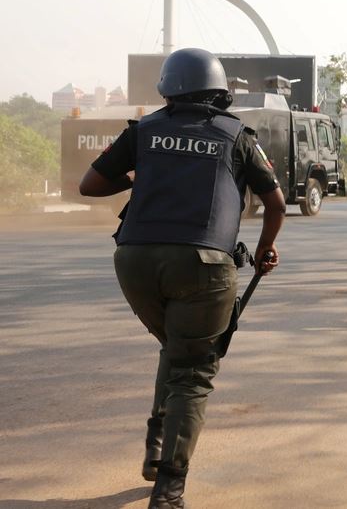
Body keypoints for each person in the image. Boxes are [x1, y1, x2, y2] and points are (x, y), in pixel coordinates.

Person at [78, 47, 285, 509]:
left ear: (167, 89)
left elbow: (90, 185)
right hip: (204, 266)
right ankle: (169, 489)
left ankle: (156, 446)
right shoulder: (236, 136)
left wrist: (140, 176)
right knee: (192, 369)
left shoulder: (143, 130)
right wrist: (265, 248)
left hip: (134, 261)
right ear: (220, 91)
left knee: (176, 347)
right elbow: (275, 203)